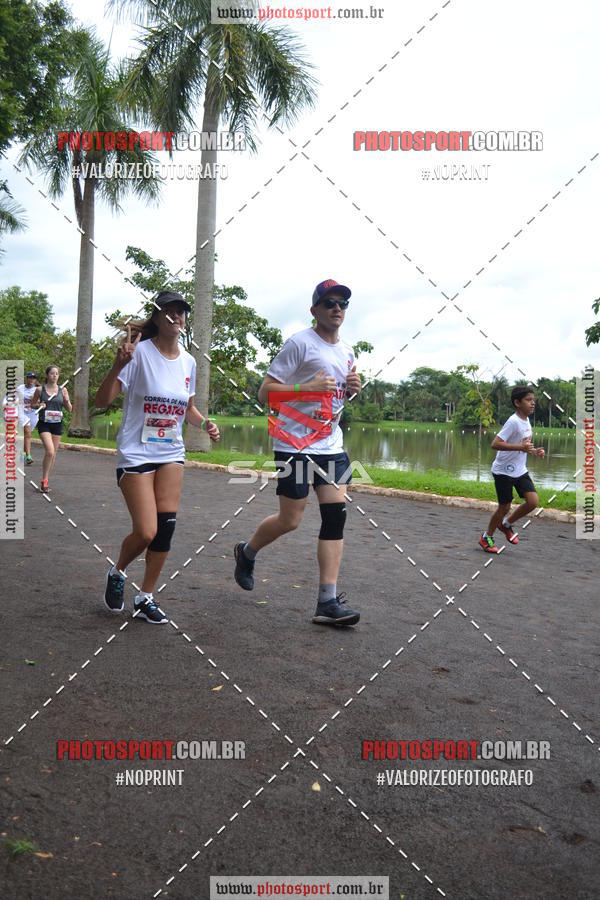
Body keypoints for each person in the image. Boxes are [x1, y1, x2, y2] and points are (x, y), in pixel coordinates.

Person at [234, 279, 362, 626]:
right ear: (315, 310)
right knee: (290, 520)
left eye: (343, 303)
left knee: (336, 516)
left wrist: (352, 390)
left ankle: (327, 601)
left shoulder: (348, 351)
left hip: (330, 445)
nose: (337, 308)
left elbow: (336, 400)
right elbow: (265, 393)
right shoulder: (299, 344)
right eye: (330, 302)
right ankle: (247, 553)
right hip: (293, 444)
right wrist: (307, 388)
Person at [95, 290, 220, 624]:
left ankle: (145, 596)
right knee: (147, 531)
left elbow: (188, 407)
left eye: (181, 312)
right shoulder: (138, 354)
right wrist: (117, 364)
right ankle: (118, 571)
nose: (176, 317)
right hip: (136, 453)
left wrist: (205, 423)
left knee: (165, 528)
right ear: (157, 317)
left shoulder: (189, 361)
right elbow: (102, 400)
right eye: (169, 311)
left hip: (170, 452)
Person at [479, 385, 545, 553]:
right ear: (517, 402)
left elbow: (524, 445)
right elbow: (495, 444)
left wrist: (535, 451)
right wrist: (520, 448)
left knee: (533, 502)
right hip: (503, 471)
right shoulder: (513, 421)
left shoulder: (526, 421)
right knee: (505, 507)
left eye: (533, 400)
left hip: (519, 469)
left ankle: (506, 524)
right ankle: (486, 537)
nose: (532, 403)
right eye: (528, 400)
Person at [32, 365, 72, 493]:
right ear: (47, 375)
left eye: (56, 374)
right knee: (49, 451)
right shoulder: (40, 389)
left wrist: (66, 400)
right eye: (52, 373)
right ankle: (44, 479)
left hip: (57, 424)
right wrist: (40, 405)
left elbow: (70, 409)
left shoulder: (63, 390)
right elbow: (32, 404)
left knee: (53, 454)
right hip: (44, 423)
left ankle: (45, 480)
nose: (54, 376)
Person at [17, 372, 39, 464]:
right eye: (30, 378)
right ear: (27, 378)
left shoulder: (37, 390)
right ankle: (28, 456)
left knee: (27, 435)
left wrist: (34, 400)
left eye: (33, 378)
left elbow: (40, 403)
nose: (31, 380)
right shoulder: (20, 388)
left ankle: (22, 454)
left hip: (33, 413)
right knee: (27, 433)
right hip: (22, 412)